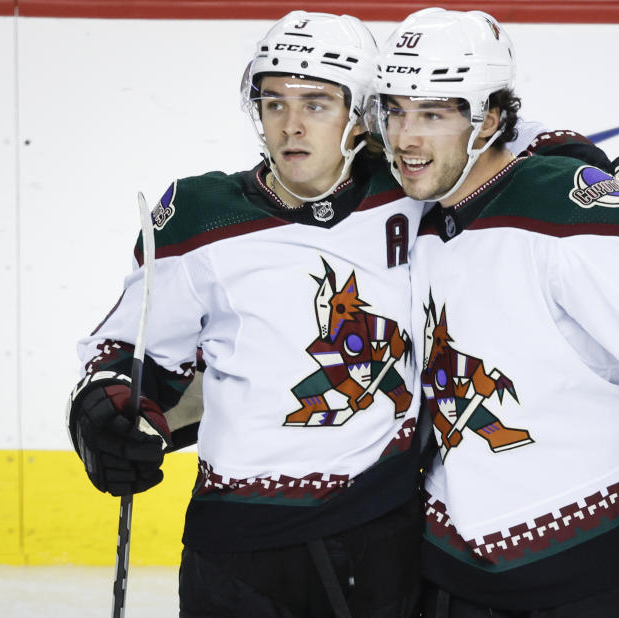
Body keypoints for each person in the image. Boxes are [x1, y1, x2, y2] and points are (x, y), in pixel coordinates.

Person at [374, 8, 619, 617]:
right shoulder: (406, 207)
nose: (406, 137)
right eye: (396, 110)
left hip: (598, 559)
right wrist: (589, 156)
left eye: (432, 113)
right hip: (450, 568)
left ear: (487, 118)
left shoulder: (564, 216)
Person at [65, 11, 426, 617]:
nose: (290, 125)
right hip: (240, 544)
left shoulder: (413, 197)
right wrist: (104, 412)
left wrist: (600, 173)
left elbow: (500, 139)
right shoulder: (201, 216)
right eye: (273, 102)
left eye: (316, 104)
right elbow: (132, 354)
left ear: (362, 115)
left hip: (383, 529)